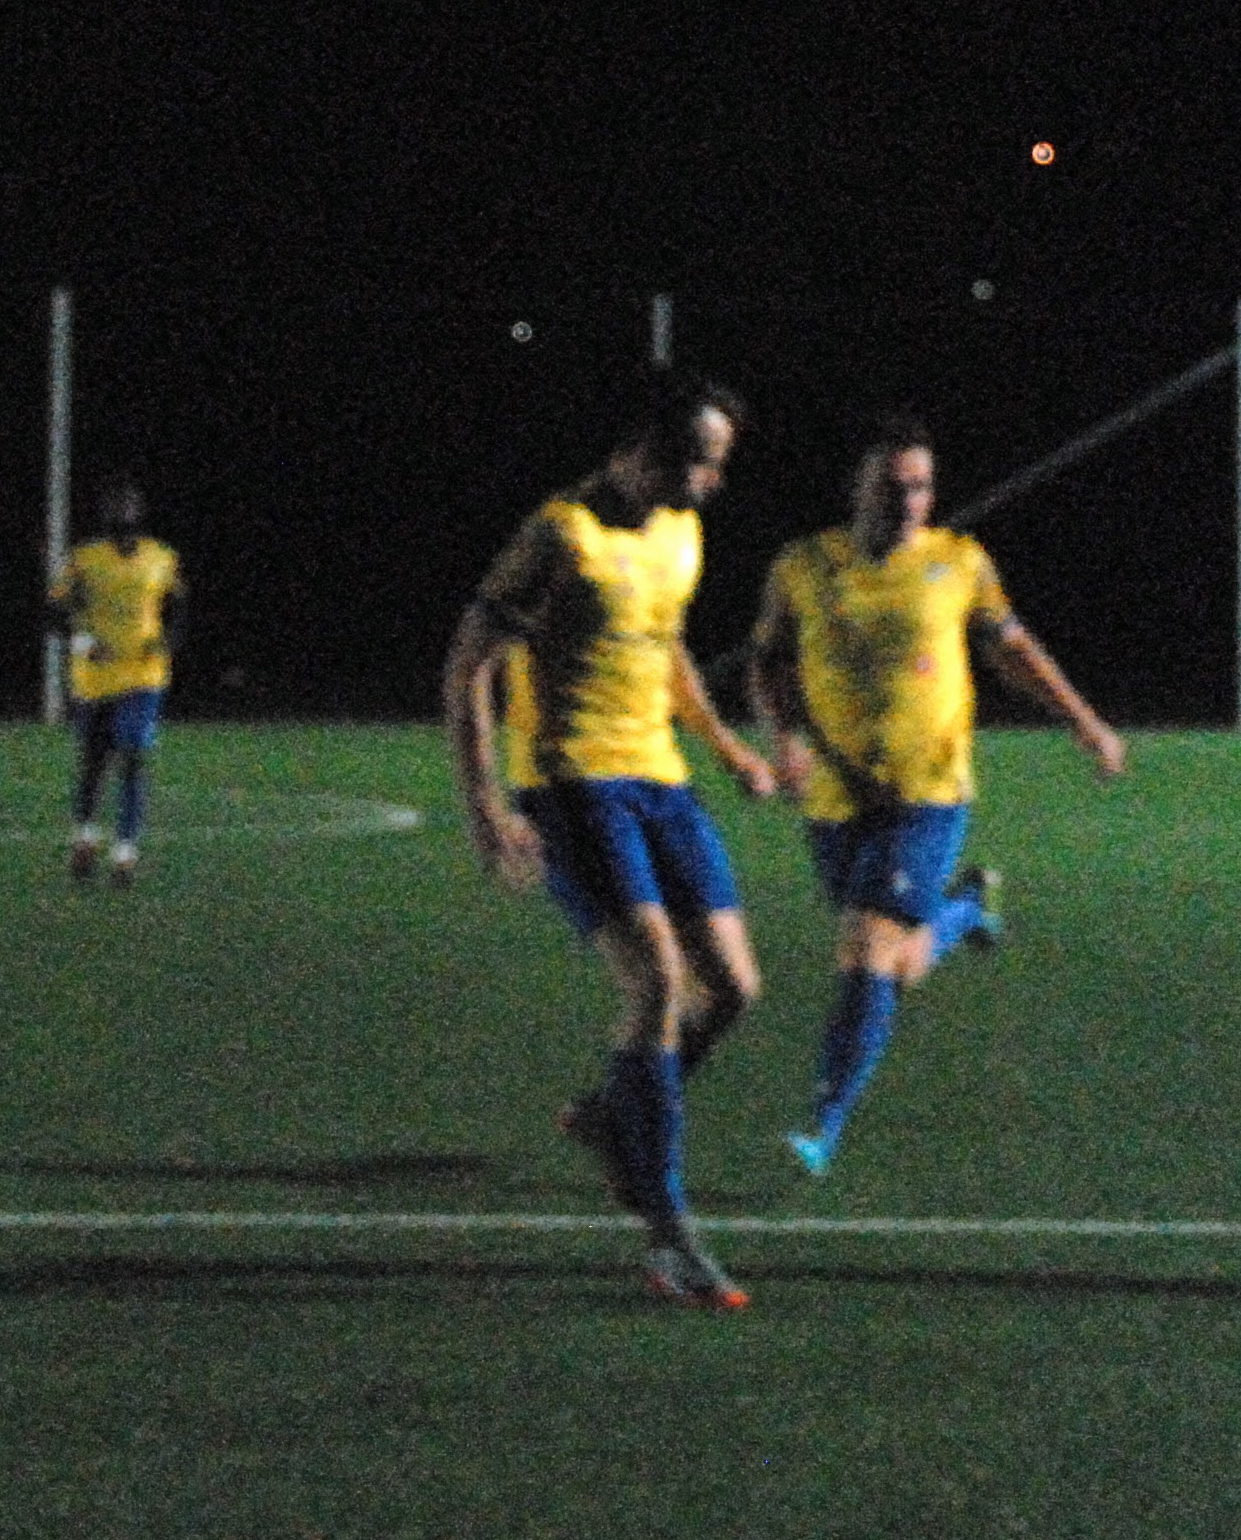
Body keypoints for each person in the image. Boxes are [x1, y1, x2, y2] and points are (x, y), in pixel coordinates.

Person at [445, 375, 783, 1310]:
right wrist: (486, 807)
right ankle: (668, 1230)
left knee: (735, 989)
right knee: (657, 983)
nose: (710, 483)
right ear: (641, 448)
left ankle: (612, 1115)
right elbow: (467, 668)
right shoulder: (560, 534)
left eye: (718, 465)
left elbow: (664, 645)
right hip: (572, 782)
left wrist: (725, 747)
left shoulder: (681, 532)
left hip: (659, 778)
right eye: (697, 463)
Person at [748, 414, 1129, 1175]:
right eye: (893, 486)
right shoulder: (803, 566)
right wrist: (782, 740)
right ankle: (967, 909)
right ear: (859, 486)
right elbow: (768, 661)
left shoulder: (960, 562)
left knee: (865, 949)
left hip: (927, 795)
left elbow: (1013, 650)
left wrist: (1084, 721)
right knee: (899, 962)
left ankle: (823, 1126)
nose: (908, 501)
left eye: (920, 487)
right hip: (836, 799)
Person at [47, 479, 186, 886]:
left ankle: (125, 852)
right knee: (94, 761)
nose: (123, 514)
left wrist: (167, 640)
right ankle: (86, 836)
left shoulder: (162, 558)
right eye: (115, 507)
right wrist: (84, 642)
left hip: (144, 674)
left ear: (139, 512)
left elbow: (180, 608)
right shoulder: (83, 560)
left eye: (129, 506)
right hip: (94, 678)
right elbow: (52, 613)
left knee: (133, 754)